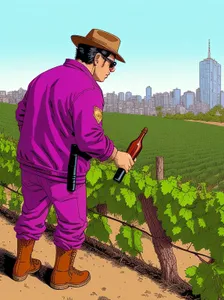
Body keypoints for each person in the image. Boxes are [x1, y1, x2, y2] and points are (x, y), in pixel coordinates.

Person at [12, 28, 135, 290]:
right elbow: (90, 138)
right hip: (63, 172)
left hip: (31, 165)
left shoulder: (43, 77)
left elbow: (21, 114)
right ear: (98, 58)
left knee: (31, 214)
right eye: (112, 64)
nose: (111, 71)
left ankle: (22, 265)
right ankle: (61, 274)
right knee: (73, 223)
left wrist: (38, 143)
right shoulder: (88, 89)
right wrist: (116, 155)